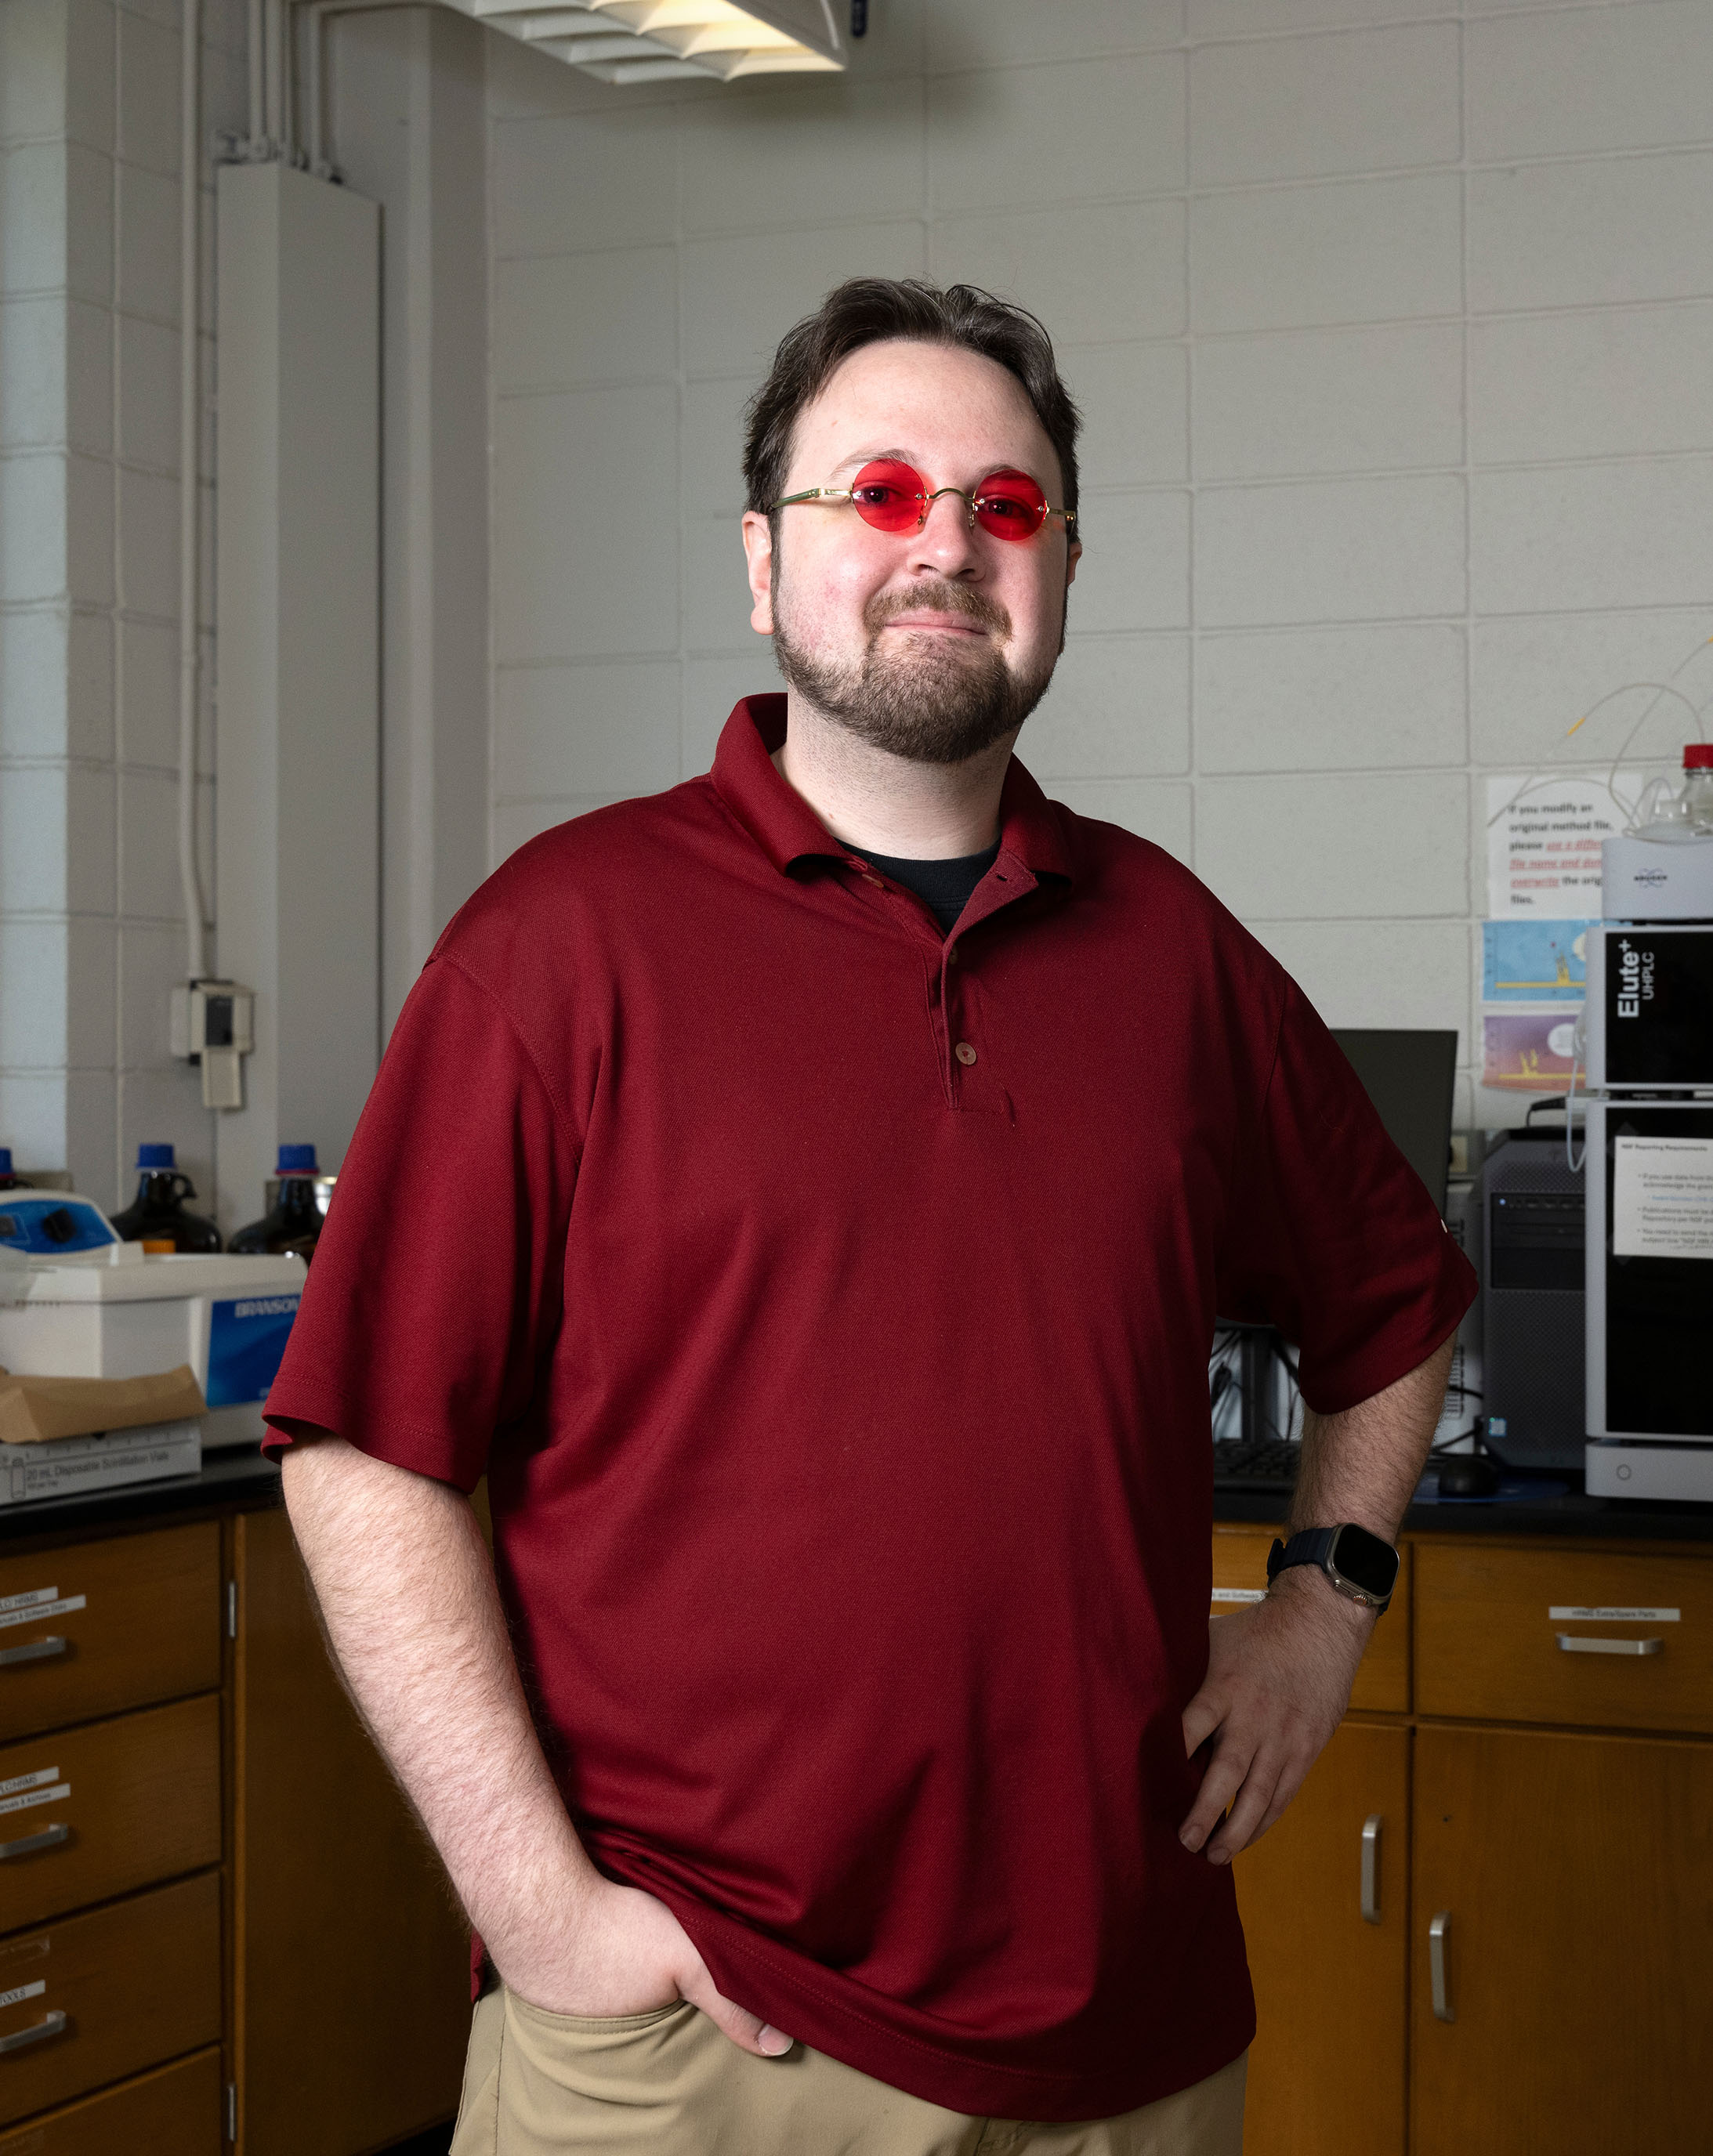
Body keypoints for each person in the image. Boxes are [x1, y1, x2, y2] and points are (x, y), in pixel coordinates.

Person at [268, 278, 1473, 2155]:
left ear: (1062, 566)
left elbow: (1394, 1303)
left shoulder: (1173, 954)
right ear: (764, 563)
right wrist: (539, 1909)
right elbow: (363, 1451)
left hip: (1127, 2038)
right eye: (881, 493)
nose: (948, 546)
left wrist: (1322, 1608)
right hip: (700, 2042)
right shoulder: (560, 946)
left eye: (1006, 507)